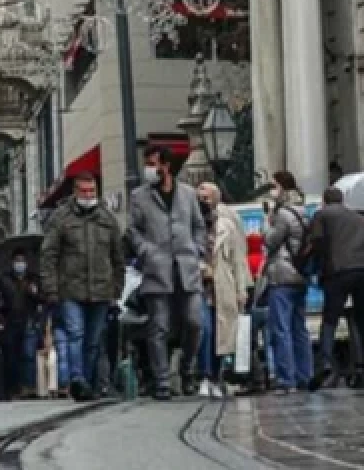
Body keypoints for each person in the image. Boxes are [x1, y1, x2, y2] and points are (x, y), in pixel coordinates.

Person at [128, 144, 207, 401]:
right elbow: (133, 230)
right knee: (158, 326)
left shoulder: (187, 194)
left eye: (153, 164)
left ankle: (188, 370)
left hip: (186, 267)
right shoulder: (139, 196)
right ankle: (162, 379)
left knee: (194, 321)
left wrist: (197, 249)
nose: (149, 169)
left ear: (166, 166)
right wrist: (145, 251)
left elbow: (199, 225)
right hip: (157, 268)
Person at [39, 172, 123, 402]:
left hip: (101, 290)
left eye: (92, 191)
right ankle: (77, 379)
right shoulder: (61, 218)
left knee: (93, 340)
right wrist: (51, 289)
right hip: (70, 290)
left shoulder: (107, 219)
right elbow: (49, 255)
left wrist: (117, 288)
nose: (89, 196)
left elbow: (118, 256)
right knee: (76, 333)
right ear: (75, 192)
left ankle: (86, 380)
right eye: (84, 191)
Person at [307, 185, 364, 391]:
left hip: (337, 272)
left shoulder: (322, 215)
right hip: (360, 270)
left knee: (330, 319)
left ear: (324, 200)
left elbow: (317, 242)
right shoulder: (358, 218)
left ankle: (326, 364)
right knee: (358, 318)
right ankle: (360, 365)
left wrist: (313, 264)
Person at [198, 182, 251, 398]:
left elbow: (239, 259)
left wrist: (242, 290)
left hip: (222, 284)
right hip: (199, 286)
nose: (203, 202)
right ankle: (204, 375)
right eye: (200, 198)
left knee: (222, 335)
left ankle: (215, 377)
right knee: (205, 330)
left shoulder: (228, 224)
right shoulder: (192, 223)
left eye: (206, 198)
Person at [262, 170, 313, 393]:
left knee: (281, 329)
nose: (271, 191)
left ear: (282, 187)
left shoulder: (283, 214)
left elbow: (271, 240)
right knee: (299, 329)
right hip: (300, 275)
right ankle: (305, 375)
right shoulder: (303, 211)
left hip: (282, 275)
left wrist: (266, 221)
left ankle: (286, 379)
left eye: (273, 186)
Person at [0, 249, 44, 400]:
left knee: (28, 354)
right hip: (10, 322)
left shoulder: (33, 279)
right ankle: (13, 388)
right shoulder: (5, 279)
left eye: (22, 261)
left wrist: (35, 293)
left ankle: (28, 387)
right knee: (11, 357)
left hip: (29, 321)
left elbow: (43, 298)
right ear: (12, 263)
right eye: (17, 261)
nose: (20, 264)